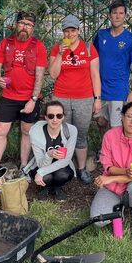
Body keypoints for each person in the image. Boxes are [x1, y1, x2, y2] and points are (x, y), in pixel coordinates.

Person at [90, 101, 132, 244]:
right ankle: (118, 212)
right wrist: (124, 171)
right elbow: (107, 165)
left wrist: (111, 179)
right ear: (122, 117)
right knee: (97, 220)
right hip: (111, 189)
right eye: (130, 116)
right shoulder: (110, 135)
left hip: (131, 187)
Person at [0, 11, 47, 172]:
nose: (24, 27)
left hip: (29, 97)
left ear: (33, 28)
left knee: (27, 131)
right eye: (22, 23)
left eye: (28, 25)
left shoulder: (38, 46)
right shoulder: (6, 43)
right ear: (16, 25)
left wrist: (33, 99)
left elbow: (40, 75)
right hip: (8, 96)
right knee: (1, 131)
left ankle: (24, 166)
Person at [48, 14, 101, 185]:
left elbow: (95, 75)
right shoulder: (57, 49)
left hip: (84, 98)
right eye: (66, 31)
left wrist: (97, 98)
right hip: (61, 97)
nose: (69, 35)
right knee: (61, 134)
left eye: (73, 30)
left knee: (80, 135)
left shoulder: (88, 48)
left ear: (78, 31)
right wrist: (60, 56)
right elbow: (53, 74)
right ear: (62, 33)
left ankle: (82, 168)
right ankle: (62, 168)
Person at [93, 0, 132, 129]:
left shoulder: (131, 39)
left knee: (116, 127)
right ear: (109, 15)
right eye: (114, 13)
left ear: (125, 16)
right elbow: (93, 60)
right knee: (101, 122)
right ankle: (105, 149)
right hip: (99, 89)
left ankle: (114, 150)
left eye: (121, 13)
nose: (117, 16)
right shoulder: (101, 35)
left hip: (118, 91)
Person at [23, 101, 77, 201]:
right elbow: (40, 163)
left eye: (59, 116)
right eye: (51, 116)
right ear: (46, 117)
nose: (55, 120)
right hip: (43, 164)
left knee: (63, 175)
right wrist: (49, 154)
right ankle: (46, 188)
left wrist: (41, 172)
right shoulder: (36, 132)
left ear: (63, 117)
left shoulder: (71, 130)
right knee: (46, 177)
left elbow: (66, 160)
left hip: (62, 166)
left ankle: (57, 187)